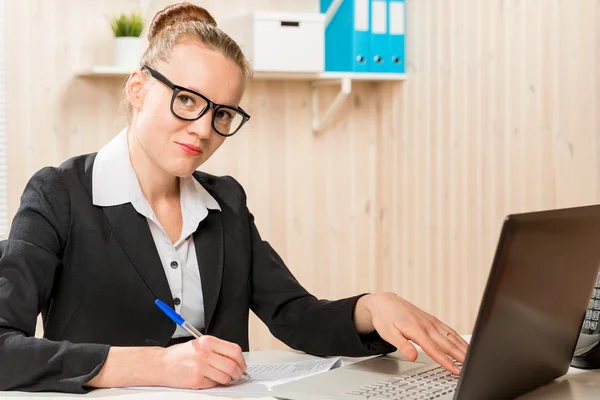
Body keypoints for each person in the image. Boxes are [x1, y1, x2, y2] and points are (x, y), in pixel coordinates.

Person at [0, 2, 468, 394]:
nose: (204, 129)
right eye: (186, 99)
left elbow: (294, 316)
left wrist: (371, 307)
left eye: (223, 113)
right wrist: (156, 366)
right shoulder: (59, 193)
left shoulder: (225, 202)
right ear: (137, 89)